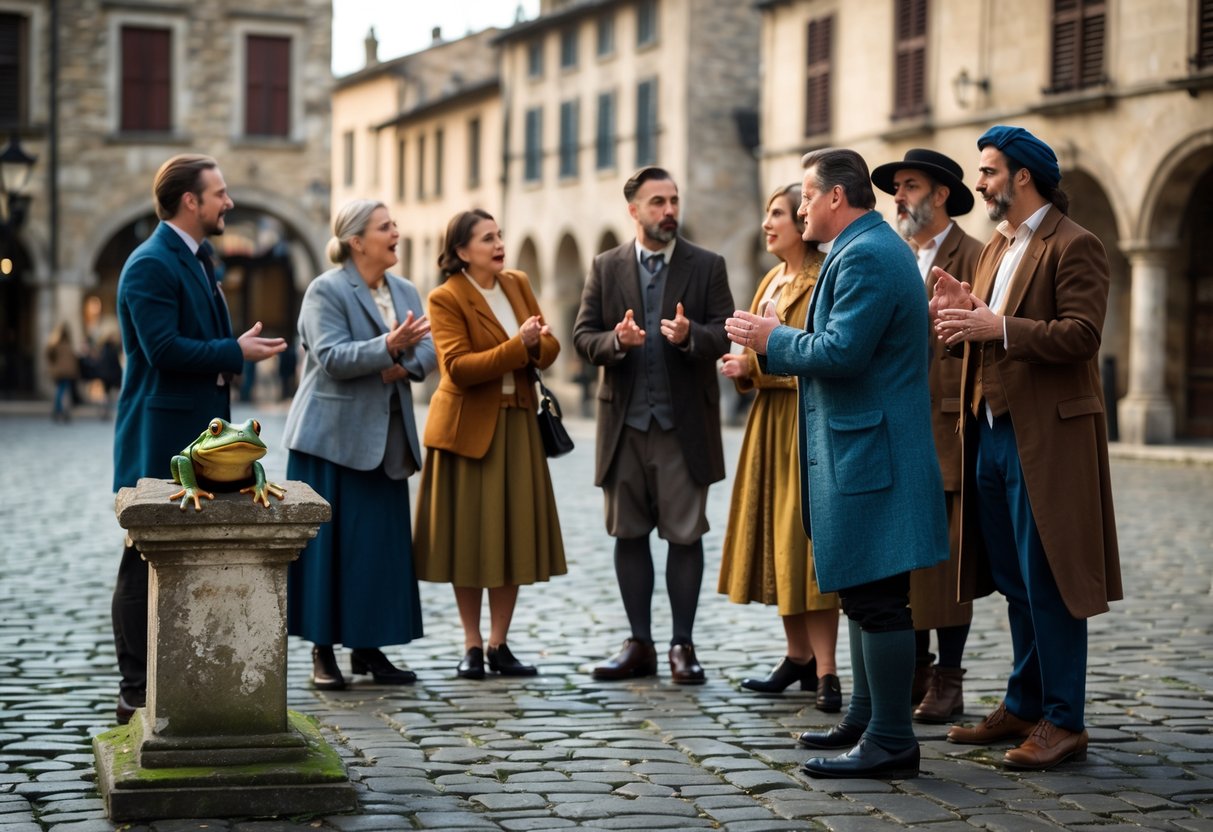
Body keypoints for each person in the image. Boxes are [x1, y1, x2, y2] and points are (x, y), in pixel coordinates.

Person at [726, 148, 948, 779]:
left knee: (879, 597)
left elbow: (844, 350)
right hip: (863, 447)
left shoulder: (871, 254)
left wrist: (773, 341)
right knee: (861, 590)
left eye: (804, 195)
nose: (798, 207)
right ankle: (864, 717)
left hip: (872, 451)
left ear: (834, 198)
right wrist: (775, 339)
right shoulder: (860, 249)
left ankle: (890, 738)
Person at [931, 126, 1122, 770]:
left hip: (1046, 436)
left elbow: (1081, 336)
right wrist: (965, 315)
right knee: (1013, 576)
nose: (978, 182)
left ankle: (1064, 719)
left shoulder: (1077, 245)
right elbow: (985, 329)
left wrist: (999, 325)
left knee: (1051, 578)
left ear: (1021, 177)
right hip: (987, 431)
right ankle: (1023, 701)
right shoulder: (993, 249)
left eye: (986, 171)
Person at [112, 154, 286, 724]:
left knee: (189, 557)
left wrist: (233, 347)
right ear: (191, 201)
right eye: (220, 193)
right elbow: (162, 350)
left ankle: (185, 678)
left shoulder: (196, 258)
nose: (228, 203)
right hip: (161, 434)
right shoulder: (149, 264)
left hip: (203, 436)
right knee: (143, 559)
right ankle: (134, 690)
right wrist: (234, 351)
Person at [573, 166, 735, 685]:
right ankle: (638, 642)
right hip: (623, 423)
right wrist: (616, 342)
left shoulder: (707, 265)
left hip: (681, 424)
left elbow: (725, 334)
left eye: (673, 200)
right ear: (634, 210)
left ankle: (682, 645)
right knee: (628, 533)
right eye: (657, 202)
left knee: (685, 537)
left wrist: (691, 336)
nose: (669, 210)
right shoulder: (605, 266)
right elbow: (582, 338)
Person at [282, 199, 436, 690]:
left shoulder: (405, 288)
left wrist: (405, 362)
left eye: (394, 223)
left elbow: (429, 349)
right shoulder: (325, 290)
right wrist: (389, 349)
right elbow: (330, 356)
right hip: (329, 439)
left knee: (378, 550)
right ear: (356, 241)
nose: (397, 232)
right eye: (386, 227)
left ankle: (369, 649)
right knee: (326, 552)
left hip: (388, 439)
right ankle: (322, 653)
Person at [413, 209, 566, 680]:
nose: (499, 244)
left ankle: (499, 644)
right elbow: (457, 368)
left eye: (499, 235)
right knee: (469, 541)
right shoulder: (445, 297)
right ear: (461, 252)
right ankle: (472, 644)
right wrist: (520, 346)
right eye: (487, 239)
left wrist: (537, 345)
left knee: (512, 537)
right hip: (465, 430)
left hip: (518, 425)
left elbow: (550, 347)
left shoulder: (516, 283)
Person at [870, 149, 985, 722]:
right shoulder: (892, 255)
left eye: (909, 186)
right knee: (904, 557)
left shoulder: (977, 255)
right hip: (893, 426)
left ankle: (949, 676)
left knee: (947, 562)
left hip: (948, 426)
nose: (899, 197)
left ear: (940, 194)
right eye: (896, 187)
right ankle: (914, 668)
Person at [717, 184, 842, 711]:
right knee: (776, 538)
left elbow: (815, 358)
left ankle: (828, 670)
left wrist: (756, 366)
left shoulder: (819, 279)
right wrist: (741, 364)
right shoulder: (772, 277)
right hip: (768, 424)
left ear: (799, 221)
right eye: (766, 214)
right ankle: (797, 656)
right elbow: (753, 345)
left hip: (803, 422)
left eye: (776, 215)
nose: (767, 224)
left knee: (807, 548)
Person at [46, 322, 80, 423]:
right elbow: (73, 360)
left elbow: (49, 356)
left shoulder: (55, 344)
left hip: (59, 372)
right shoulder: (67, 345)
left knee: (60, 390)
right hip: (66, 372)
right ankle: (61, 410)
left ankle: (59, 410)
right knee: (64, 391)